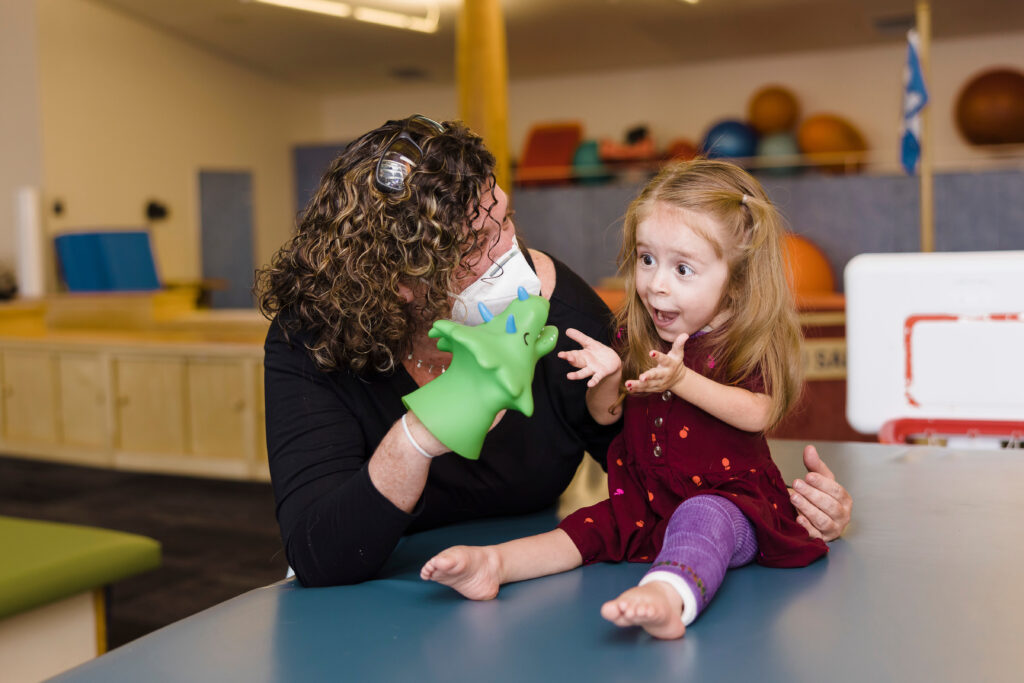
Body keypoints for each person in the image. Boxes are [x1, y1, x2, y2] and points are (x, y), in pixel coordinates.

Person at [256, 115, 852, 589]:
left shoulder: (564, 316)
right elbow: (321, 556)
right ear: (404, 281)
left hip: (518, 591)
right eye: (478, 245)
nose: (510, 250)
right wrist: (418, 437)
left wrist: (781, 514)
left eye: (506, 218)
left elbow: (654, 471)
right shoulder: (312, 341)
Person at [422, 159, 830, 640]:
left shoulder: (742, 343)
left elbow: (758, 411)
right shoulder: (634, 332)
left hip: (731, 505)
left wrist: (680, 379)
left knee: (702, 518)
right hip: (645, 500)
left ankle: (669, 593)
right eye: (646, 259)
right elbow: (608, 416)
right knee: (584, 527)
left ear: (736, 281)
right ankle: (494, 564)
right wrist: (609, 378)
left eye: (683, 268)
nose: (657, 283)